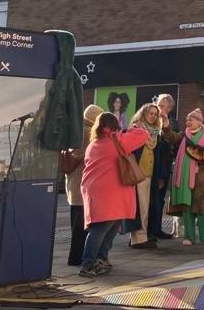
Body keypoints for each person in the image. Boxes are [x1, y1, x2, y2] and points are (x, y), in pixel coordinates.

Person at [79, 112, 150, 277]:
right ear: (111, 128)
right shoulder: (116, 141)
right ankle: (88, 264)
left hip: (97, 190)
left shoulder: (94, 143)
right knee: (102, 227)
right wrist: (132, 129)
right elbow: (142, 136)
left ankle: (100, 259)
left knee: (109, 226)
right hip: (109, 192)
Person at [164, 108, 204, 246]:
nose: (188, 122)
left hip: (203, 178)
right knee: (187, 208)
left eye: (191, 119)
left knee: (203, 208)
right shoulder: (183, 135)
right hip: (184, 177)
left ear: (199, 122)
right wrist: (166, 125)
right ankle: (189, 237)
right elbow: (171, 137)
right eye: (187, 119)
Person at [60, 104, 102, 266]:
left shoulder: (77, 130)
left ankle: (75, 257)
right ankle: (76, 258)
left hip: (73, 182)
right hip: (82, 184)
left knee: (76, 223)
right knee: (81, 226)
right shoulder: (88, 133)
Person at [123, 103, 170, 248]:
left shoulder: (156, 133)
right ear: (143, 114)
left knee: (148, 207)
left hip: (151, 175)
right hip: (138, 175)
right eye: (150, 113)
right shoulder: (136, 130)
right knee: (139, 208)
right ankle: (138, 239)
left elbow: (164, 154)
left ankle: (144, 235)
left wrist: (161, 176)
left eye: (156, 114)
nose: (153, 116)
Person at [154, 93, 176, 240]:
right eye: (159, 105)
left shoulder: (172, 124)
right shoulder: (149, 119)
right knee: (148, 201)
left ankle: (156, 228)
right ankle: (147, 231)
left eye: (163, 107)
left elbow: (171, 144)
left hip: (163, 167)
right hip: (150, 166)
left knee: (159, 199)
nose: (159, 109)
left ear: (169, 109)